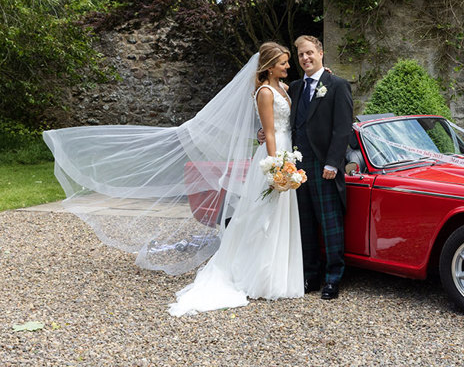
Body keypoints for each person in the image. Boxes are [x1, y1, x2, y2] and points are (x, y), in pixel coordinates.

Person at [44, 42, 304, 315]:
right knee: (261, 215)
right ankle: (257, 275)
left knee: (280, 215)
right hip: (274, 156)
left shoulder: (284, 89)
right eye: (284, 62)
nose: (288, 66)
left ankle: (279, 273)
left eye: (288, 62)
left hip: (287, 151)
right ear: (270, 65)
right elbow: (269, 132)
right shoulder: (264, 92)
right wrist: (276, 166)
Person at [289, 35, 353, 300]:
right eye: (301, 55)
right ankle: (310, 276)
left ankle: (333, 279)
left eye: (309, 53)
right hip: (297, 166)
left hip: (323, 165)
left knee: (330, 224)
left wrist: (333, 163)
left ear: (321, 53)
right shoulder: (294, 88)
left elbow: (342, 128)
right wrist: (262, 132)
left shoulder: (336, 85)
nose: (305, 58)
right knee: (304, 224)